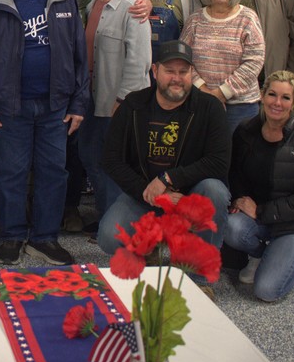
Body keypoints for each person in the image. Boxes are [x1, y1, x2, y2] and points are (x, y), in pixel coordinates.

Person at [0, 0, 88, 267]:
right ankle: (12, 235)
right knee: (11, 174)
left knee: (54, 173)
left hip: (56, 107)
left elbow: (81, 58)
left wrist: (79, 104)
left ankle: (45, 238)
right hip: (11, 109)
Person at [98, 40, 230, 299]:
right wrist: (152, 193)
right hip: (146, 194)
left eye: (184, 72)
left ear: (192, 74)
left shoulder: (209, 108)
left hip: (190, 196)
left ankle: (198, 277)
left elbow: (219, 161)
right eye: (170, 71)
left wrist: (169, 178)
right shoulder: (133, 105)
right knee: (108, 237)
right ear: (155, 71)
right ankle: (150, 250)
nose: (177, 78)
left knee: (214, 190)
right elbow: (111, 159)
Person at [225, 71, 294, 302]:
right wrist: (241, 200)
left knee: (267, 290)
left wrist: (260, 211)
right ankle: (262, 254)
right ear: (262, 95)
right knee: (230, 227)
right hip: (260, 219)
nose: (277, 103)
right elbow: (236, 175)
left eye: (285, 98)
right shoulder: (245, 131)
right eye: (272, 94)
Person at [77, 0, 151, 222]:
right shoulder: (91, 5)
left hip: (118, 104)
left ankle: (117, 225)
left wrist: (124, 101)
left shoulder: (133, 8)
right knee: (91, 157)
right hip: (92, 99)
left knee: (116, 165)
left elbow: (140, 61)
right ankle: (106, 216)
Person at [41, 0, 97, 233]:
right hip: (42, 69)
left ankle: (71, 206)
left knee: (73, 146)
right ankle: (41, 205)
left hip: (75, 67)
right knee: (43, 147)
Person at [181, 0, 265, 133]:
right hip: (201, 103)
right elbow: (183, 59)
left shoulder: (248, 18)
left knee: (241, 157)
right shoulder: (194, 19)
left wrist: (221, 93)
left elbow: (254, 61)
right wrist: (204, 90)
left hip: (242, 107)